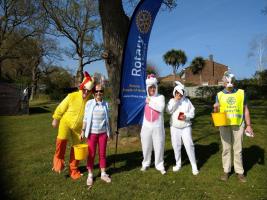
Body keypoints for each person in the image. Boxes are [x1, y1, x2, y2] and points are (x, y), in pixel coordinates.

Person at [51, 71, 94, 180]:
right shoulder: (71, 96)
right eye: (84, 89)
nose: (86, 92)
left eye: (88, 91)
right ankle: (58, 163)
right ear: (81, 88)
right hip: (65, 123)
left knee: (77, 149)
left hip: (79, 128)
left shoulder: (90, 102)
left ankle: (73, 170)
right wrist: (56, 118)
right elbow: (61, 107)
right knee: (61, 142)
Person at [213, 71, 254, 183]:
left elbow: (245, 110)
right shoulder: (219, 95)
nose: (228, 83)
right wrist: (215, 108)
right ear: (223, 83)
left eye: (230, 81)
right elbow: (216, 113)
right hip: (224, 125)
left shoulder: (241, 93)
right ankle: (226, 171)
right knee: (226, 149)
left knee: (238, 149)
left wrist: (249, 125)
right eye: (226, 81)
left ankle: (239, 172)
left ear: (233, 82)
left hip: (238, 124)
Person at [81, 84, 111, 188]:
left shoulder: (106, 104)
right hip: (92, 134)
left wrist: (109, 132)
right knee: (91, 154)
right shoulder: (89, 103)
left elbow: (108, 119)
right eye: (97, 91)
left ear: (103, 93)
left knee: (102, 154)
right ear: (93, 93)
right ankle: (90, 175)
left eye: (101, 91)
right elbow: (85, 118)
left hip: (103, 134)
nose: (99, 93)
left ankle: (103, 174)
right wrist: (82, 131)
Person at [166, 81, 199, 175]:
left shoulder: (187, 101)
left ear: (183, 93)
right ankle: (178, 164)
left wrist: (186, 116)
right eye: (177, 93)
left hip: (186, 127)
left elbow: (192, 113)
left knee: (189, 145)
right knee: (176, 146)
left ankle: (194, 165)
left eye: (180, 93)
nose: (179, 95)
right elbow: (168, 111)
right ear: (174, 92)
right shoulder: (172, 101)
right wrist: (175, 101)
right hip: (174, 127)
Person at [140, 74, 166, 175]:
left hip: (157, 126)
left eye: (154, 87)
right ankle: (145, 163)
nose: (152, 89)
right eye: (150, 87)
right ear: (147, 88)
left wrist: (149, 102)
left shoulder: (161, 97)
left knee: (159, 145)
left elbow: (160, 108)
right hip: (146, 126)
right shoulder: (143, 97)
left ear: (156, 87)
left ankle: (159, 164)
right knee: (146, 146)